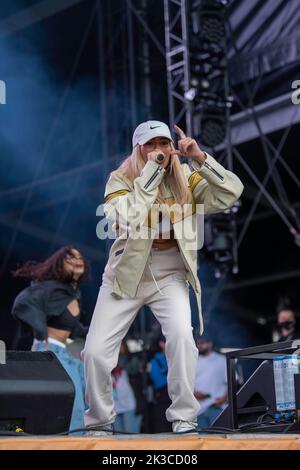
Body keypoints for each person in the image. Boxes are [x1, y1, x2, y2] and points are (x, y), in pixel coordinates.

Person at [82, 120, 244, 435]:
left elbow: (231, 193)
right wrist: (151, 174)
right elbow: (126, 216)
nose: (158, 151)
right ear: (138, 148)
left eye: (164, 144)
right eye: (150, 145)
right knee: (96, 351)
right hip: (127, 273)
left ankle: (184, 419)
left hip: (170, 272)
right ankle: (99, 423)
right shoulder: (120, 178)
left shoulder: (186, 177)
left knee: (183, 337)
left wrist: (199, 157)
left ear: (172, 147)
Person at [11, 246, 89, 433]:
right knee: (71, 403)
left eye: (79, 257)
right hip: (49, 353)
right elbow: (22, 303)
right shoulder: (50, 289)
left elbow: (75, 329)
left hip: (65, 354)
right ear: (60, 264)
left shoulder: (71, 295)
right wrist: (40, 332)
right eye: (70, 257)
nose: (77, 260)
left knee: (87, 400)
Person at [194, 337, 228, 428]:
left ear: (210, 343)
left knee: (220, 438)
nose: (199, 345)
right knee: (201, 440)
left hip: (217, 407)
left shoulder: (221, 360)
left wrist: (224, 398)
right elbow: (185, 383)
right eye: (198, 343)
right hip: (198, 410)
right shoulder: (192, 360)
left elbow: (232, 381)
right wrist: (193, 393)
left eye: (202, 343)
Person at [148, 334, 172, 432]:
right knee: (163, 425)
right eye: (167, 341)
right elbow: (157, 382)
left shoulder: (178, 358)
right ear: (161, 344)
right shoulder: (154, 361)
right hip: (163, 397)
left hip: (177, 395)